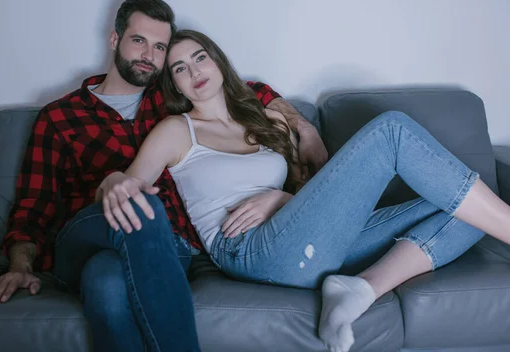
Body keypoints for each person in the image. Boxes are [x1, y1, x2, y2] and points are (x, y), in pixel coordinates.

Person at [97, 29, 510, 352]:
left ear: (219, 62)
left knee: (467, 208)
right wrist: (113, 182)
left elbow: (320, 195)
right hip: (249, 248)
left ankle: (362, 288)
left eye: (200, 58)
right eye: (179, 68)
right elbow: (129, 182)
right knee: (392, 131)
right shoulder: (176, 131)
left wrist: (281, 198)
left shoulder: (269, 122)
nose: (194, 71)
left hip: (303, 238)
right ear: (175, 85)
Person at [0, 0, 328, 352]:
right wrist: (20, 265)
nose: (149, 55)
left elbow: (249, 91)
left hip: (170, 248)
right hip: (87, 234)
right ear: (115, 40)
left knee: (106, 281)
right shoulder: (60, 117)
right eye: (139, 41)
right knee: (143, 203)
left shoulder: (172, 97)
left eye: (160, 47)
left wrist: (304, 128)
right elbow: (33, 206)